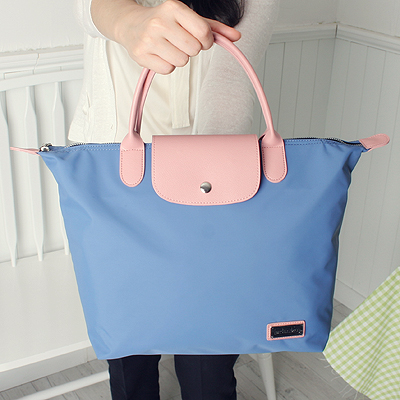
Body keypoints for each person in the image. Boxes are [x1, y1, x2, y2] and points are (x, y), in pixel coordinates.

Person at [71, 0, 280, 399]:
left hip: (213, 178)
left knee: (208, 352)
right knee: (129, 339)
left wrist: (205, 184)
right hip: (113, 172)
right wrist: (130, 22)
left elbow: (230, 79)